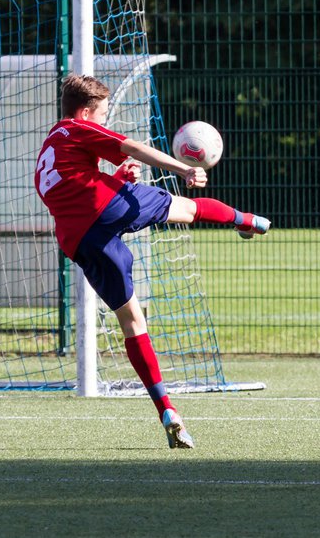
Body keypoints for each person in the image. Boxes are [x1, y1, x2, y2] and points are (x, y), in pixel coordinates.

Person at [34, 74, 270, 449]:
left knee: (132, 321)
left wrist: (115, 178)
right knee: (188, 210)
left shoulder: (50, 145)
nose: (104, 122)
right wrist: (184, 169)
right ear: (84, 111)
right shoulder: (75, 127)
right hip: (102, 208)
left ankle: (167, 410)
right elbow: (134, 148)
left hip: (79, 239)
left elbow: (71, 187)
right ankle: (248, 221)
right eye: (103, 114)